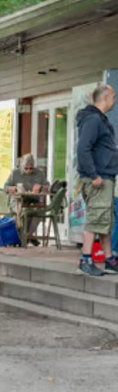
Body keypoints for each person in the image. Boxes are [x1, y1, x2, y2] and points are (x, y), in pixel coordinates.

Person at [75, 84, 118, 276]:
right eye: (114, 96)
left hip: (106, 178)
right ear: (106, 97)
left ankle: (109, 260)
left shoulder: (100, 120)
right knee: (95, 219)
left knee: (105, 221)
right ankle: (85, 260)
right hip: (98, 179)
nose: (115, 101)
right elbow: (83, 149)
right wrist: (94, 176)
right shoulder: (93, 120)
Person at [4, 153, 49, 245]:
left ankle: (28, 235)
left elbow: (47, 187)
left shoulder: (39, 173)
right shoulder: (15, 173)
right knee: (24, 211)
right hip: (17, 200)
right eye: (26, 168)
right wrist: (14, 188)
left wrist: (42, 187)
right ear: (22, 166)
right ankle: (26, 236)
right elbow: (5, 187)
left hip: (34, 199)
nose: (28, 171)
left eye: (31, 168)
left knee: (40, 210)